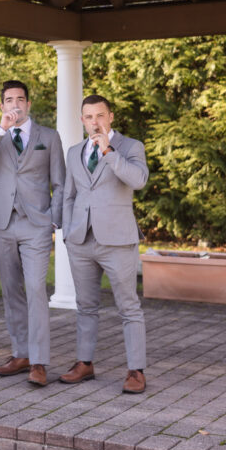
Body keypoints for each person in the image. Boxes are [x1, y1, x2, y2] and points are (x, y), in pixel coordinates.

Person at [0, 81, 65, 386]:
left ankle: (38, 361)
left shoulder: (48, 137)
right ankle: (20, 352)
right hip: (2, 221)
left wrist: (54, 218)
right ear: (2, 106)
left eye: (20, 99)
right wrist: (0, 130)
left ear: (28, 104)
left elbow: (60, 183)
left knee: (36, 289)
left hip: (36, 224)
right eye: (9, 100)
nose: (15, 104)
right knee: (11, 291)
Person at [60, 95, 149, 394]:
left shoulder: (131, 147)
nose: (95, 122)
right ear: (82, 119)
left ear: (110, 116)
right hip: (81, 240)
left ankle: (136, 370)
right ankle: (85, 363)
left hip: (118, 240)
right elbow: (69, 195)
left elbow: (137, 180)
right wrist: (68, 231)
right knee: (85, 306)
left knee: (128, 307)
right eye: (89, 117)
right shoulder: (74, 152)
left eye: (100, 115)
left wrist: (108, 151)